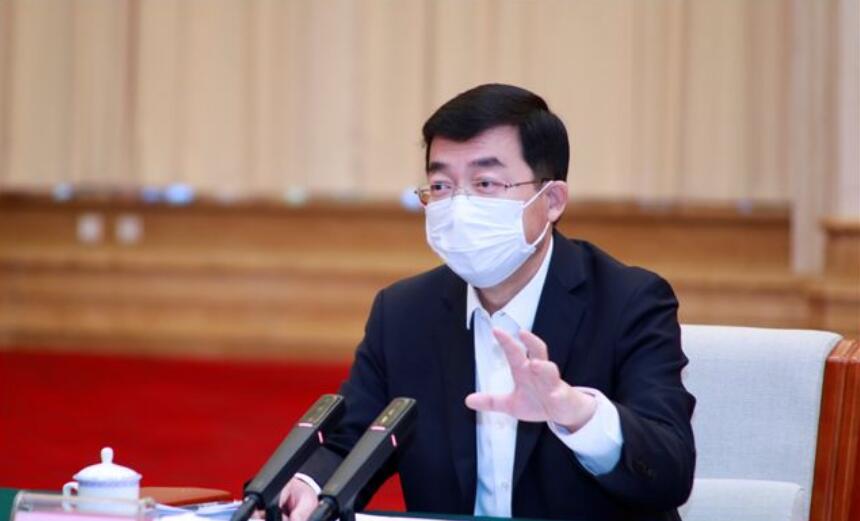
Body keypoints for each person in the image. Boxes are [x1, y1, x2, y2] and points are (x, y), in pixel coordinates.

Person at [279, 84, 696, 521]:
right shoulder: (402, 313)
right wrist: (307, 485)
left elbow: (670, 470)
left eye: (486, 184)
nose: (460, 207)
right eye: (441, 185)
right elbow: (351, 441)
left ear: (551, 200)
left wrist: (577, 414)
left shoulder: (629, 301)